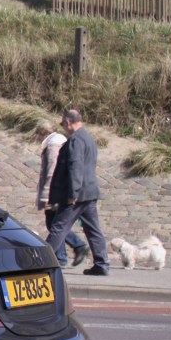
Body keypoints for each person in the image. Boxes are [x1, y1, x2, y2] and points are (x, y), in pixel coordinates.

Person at [46, 108, 110, 276]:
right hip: (90, 192)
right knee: (93, 229)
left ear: (68, 122)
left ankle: (42, 262)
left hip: (77, 194)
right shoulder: (89, 139)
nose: (63, 127)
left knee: (59, 227)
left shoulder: (76, 140)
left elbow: (76, 166)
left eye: (62, 123)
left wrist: (73, 193)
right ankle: (102, 263)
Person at [35, 120, 89, 268]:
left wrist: (47, 195)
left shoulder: (53, 145)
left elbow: (51, 172)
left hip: (55, 191)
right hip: (61, 189)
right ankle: (60, 258)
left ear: (43, 133)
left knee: (54, 225)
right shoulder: (61, 142)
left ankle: (77, 246)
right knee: (56, 224)